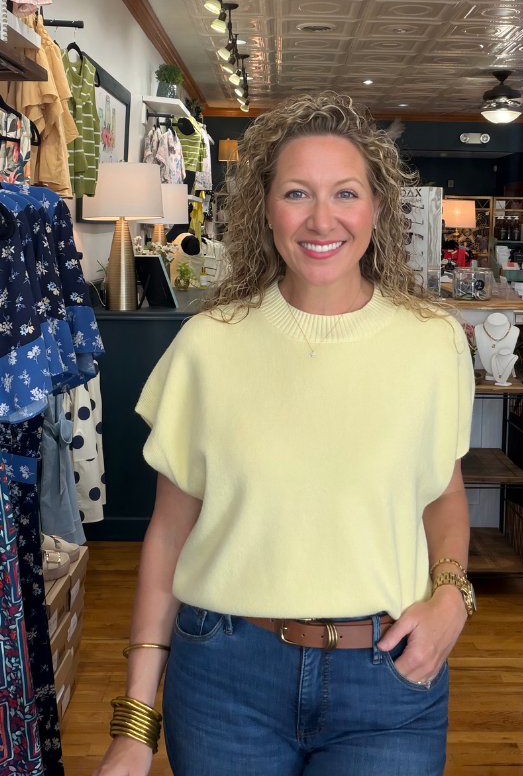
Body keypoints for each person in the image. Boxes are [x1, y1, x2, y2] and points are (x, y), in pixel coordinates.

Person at [95, 92, 476, 776]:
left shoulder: (432, 343)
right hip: (223, 680)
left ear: (377, 209)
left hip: (388, 676)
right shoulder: (210, 345)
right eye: (297, 193)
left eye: (346, 193)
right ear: (265, 210)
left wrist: (452, 594)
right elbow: (168, 535)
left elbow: (441, 495)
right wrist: (133, 727)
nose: (321, 219)